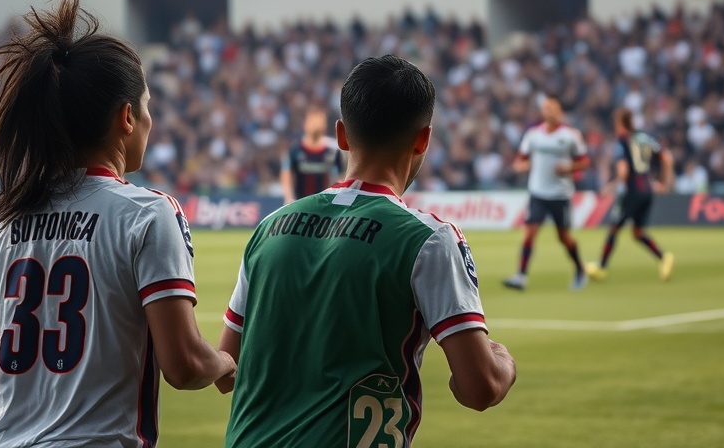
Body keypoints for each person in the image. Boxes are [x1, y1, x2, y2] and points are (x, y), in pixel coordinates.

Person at [0, 0, 234, 448]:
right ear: (127, 117)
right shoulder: (148, 214)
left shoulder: (2, 225)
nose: (152, 121)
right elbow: (184, 365)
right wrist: (227, 363)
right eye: (148, 107)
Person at [218, 55, 516, 448]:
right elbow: (480, 388)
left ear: (341, 135)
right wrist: (503, 361)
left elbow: (226, 373)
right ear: (423, 139)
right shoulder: (428, 240)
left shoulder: (268, 229)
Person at [503, 95, 591, 291]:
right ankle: (521, 276)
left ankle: (580, 269)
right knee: (529, 233)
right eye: (545, 107)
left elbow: (585, 161)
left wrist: (568, 168)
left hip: (560, 194)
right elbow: (519, 162)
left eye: (551, 107)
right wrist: (525, 165)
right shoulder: (533, 135)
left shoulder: (571, 135)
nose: (547, 111)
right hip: (538, 193)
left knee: (563, 237)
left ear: (560, 111)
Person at [586, 108, 676, 282]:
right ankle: (664, 258)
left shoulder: (621, 142)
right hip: (647, 191)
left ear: (619, 123)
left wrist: (610, 186)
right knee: (637, 233)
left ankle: (602, 268)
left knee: (613, 228)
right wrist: (663, 183)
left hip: (633, 192)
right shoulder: (644, 137)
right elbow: (667, 159)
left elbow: (624, 172)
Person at [279, 107, 343, 203]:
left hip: (325, 204)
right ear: (306, 124)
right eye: (313, 121)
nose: (316, 124)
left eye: (319, 121)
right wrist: (288, 197)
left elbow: (341, 175)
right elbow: (286, 174)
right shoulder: (295, 149)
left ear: (324, 124)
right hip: (301, 204)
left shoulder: (333, 150)